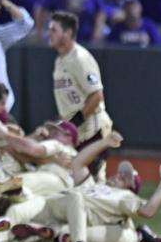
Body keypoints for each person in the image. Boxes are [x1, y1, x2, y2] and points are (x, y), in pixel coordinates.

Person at [48, 10, 113, 180]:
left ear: (68, 33)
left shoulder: (80, 58)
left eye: (54, 30)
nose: (49, 33)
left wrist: (74, 122)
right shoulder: (60, 59)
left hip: (93, 130)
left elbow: (97, 95)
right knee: (75, 181)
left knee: (92, 184)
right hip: (77, 132)